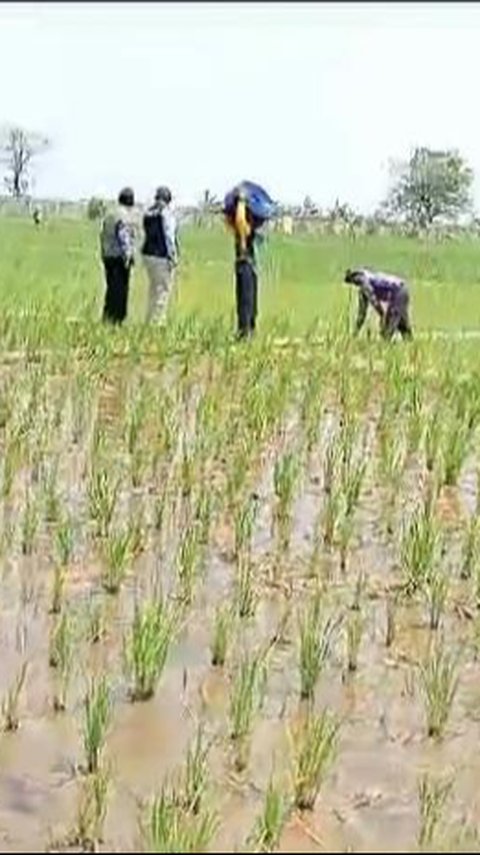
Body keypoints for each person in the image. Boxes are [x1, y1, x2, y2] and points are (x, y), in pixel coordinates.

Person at [223, 181, 275, 339]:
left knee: (250, 302)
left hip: (248, 267)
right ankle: (245, 332)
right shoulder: (243, 232)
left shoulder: (249, 232)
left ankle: (248, 331)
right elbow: (239, 222)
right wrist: (241, 202)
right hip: (244, 265)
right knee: (246, 301)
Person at [141, 186, 179, 324]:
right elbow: (169, 237)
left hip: (148, 255)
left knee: (153, 289)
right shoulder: (166, 214)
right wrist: (173, 257)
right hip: (161, 256)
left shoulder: (148, 213)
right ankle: (157, 323)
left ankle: (149, 318)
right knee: (163, 290)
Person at [344, 267, 413, 340]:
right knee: (402, 326)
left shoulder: (364, 281)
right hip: (399, 293)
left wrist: (382, 316)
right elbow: (362, 313)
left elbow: (374, 300)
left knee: (387, 330)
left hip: (399, 291)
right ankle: (410, 343)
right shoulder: (364, 288)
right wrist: (355, 333)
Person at [100, 187, 136, 325]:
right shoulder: (124, 216)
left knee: (111, 288)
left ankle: (107, 316)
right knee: (120, 290)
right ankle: (117, 319)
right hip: (119, 258)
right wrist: (128, 255)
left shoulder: (110, 214)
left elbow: (102, 234)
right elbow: (123, 237)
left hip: (108, 256)